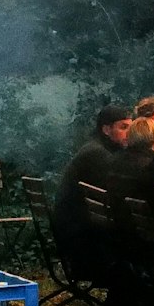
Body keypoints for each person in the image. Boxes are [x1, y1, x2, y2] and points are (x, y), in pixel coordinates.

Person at [52, 103, 132, 279]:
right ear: (106, 129)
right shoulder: (97, 154)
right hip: (83, 247)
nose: (129, 133)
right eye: (123, 127)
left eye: (130, 128)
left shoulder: (96, 148)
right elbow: (116, 196)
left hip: (79, 238)